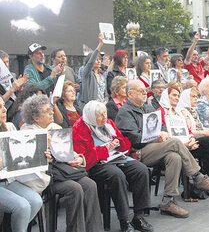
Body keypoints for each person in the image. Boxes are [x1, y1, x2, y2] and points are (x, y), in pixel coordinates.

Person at [115, 80, 209, 218]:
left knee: (175, 157)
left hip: (155, 147)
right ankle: (198, 177)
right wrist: (156, 137)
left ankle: (168, 201)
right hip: (138, 152)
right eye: (141, 91)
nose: (144, 93)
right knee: (176, 143)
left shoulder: (147, 108)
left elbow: (161, 126)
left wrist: (163, 133)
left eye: (145, 90)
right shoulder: (125, 112)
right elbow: (133, 138)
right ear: (129, 94)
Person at [20, 95, 102, 232]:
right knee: (74, 189)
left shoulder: (54, 127)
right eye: (47, 111)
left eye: (51, 109)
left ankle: (94, 229)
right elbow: (29, 162)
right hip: (45, 176)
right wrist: (44, 150)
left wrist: (80, 158)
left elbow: (69, 150)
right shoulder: (27, 133)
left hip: (63, 171)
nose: (52, 113)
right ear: (36, 118)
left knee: (90, 184)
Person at [73, 101, 153, 232]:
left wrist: (119, 143)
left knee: (141, 169)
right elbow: (84, 157)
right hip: (97, 163)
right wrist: (106, 149)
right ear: (92, 116)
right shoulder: (80, 128)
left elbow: (124, 144)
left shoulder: (108, 123)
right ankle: (124, 220)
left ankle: (139, 216)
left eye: (105, 113)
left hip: (115, 157)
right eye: (100, 115)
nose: (104, 117)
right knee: (117, 175)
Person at [158, 86, 209, 196]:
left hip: (188, 144)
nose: (177, 98)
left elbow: (188, 130)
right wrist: (185, 143)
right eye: (174, 95)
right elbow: (163, 135)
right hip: (174, 147)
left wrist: (190, 139)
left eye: (178, 96)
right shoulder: (160, 112)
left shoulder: (178, 112)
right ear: (167, 96)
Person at [0, 98, 43, 232]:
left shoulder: (10, 127)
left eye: (3, 105)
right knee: (22, 206)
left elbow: (21, 153)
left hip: (8, 180)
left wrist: (41, 154)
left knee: (36, 201)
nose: (4, 109)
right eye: (0, 106)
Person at [80, 34, 107, 106]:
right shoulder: (87, 74)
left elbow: (106, 94)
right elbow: (90, 62)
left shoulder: (102, 77)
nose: (99, 61)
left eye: (100, 60)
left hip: (101, 107)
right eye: (96, 59)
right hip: (90, 107)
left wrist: (105, 102)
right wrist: (100, 45)